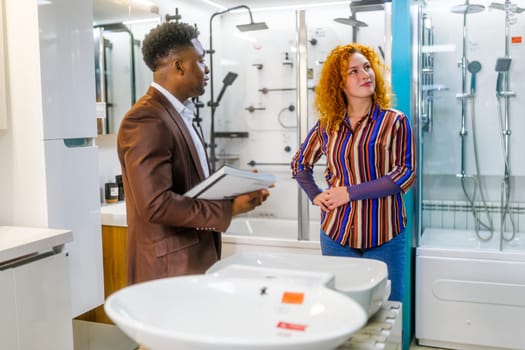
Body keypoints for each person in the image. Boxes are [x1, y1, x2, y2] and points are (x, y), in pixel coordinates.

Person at [118, 22, 269, 285]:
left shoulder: (178, 113)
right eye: (201, 61)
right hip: (169, 271)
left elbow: (190, 187)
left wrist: (235, 187)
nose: (207, 68)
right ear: (178, 66)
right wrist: (229, 208)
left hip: (192, 260)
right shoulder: (146, 119)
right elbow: (156, 205)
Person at [290, 43, 415, 302]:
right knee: (341, 305)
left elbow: (406, 173)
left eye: (367, 68)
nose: (365, 75)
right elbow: (300, 164)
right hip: (337, 234)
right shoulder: (327, 126)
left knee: (387, 306)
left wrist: (350, 192)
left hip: (385, 234)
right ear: (340, 84)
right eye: (353, 72)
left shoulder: (395, 121)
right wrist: (315, 196)